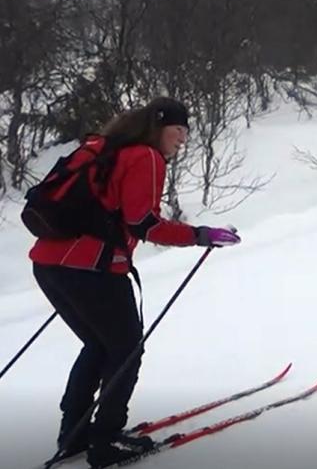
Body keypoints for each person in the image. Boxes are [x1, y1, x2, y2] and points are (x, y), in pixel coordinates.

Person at [29, 97, 241, 467]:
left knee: (99, 345)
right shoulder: (145, 156)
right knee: (126, 349)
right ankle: (105, 439)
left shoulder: (108, 149)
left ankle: (75, 433)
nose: (182, 140)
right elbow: (145, 222)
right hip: (93, 268)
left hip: (50, 264)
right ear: (159, 127)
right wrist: (202, 234)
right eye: (179, 131)